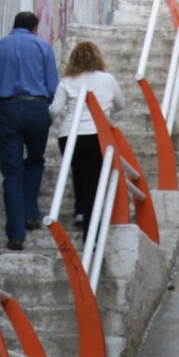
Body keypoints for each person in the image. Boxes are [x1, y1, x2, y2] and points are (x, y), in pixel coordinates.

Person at [0, 11, 59, 251]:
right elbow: (54, 86)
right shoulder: (43, 48)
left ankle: (16, 234)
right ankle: (30, 212)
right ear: (34, 28)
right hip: (37, 107)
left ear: (13, 26)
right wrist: (50, 114)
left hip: (7, 110)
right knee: (35, 161)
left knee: (12, 171)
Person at [49, 40, 126, 237]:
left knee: (78, 170)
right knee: (93, 180)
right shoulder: (107, 79)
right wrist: (106, 111)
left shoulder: (67, 81)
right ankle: (90, 232)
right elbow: (121, 104)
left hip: (69, 134)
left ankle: (80, 211)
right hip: (97, 134)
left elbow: (55, 109)